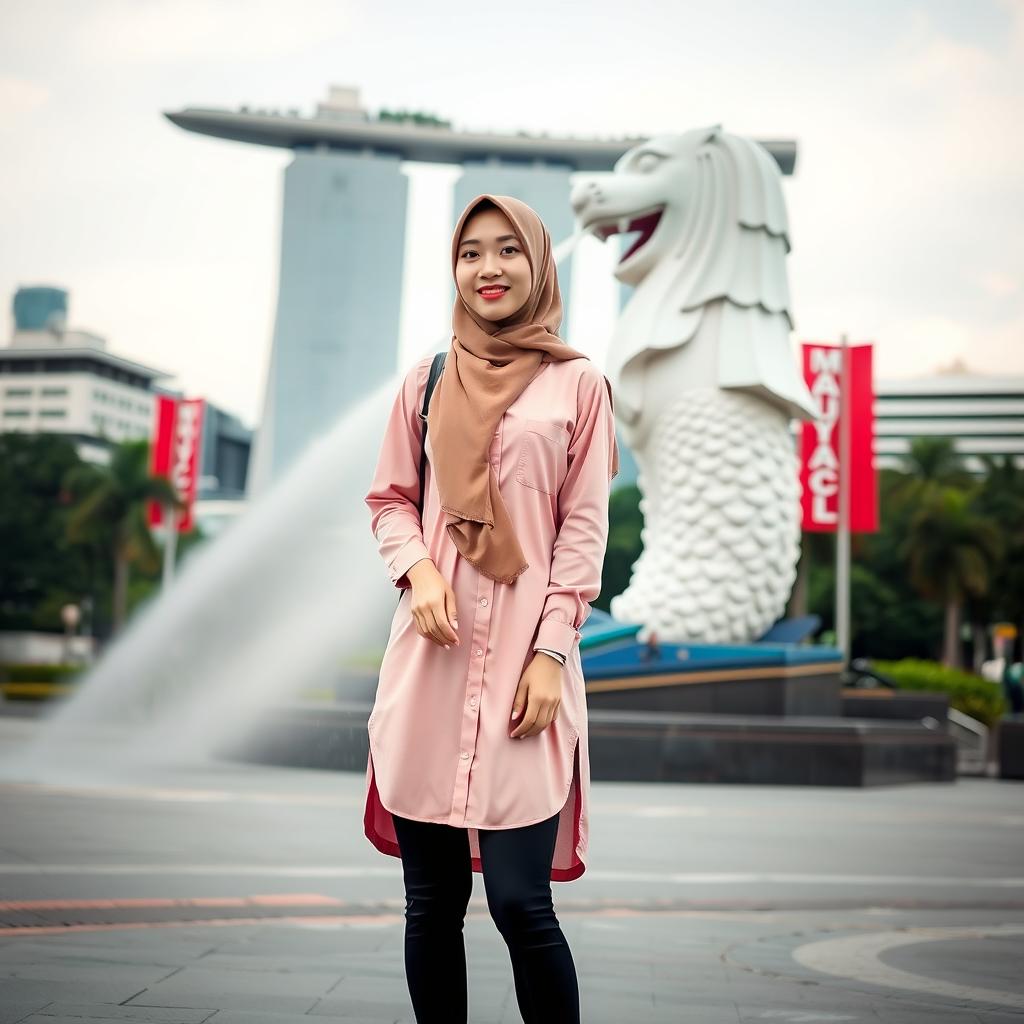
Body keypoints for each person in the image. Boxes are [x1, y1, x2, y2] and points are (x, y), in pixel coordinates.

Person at [362, 193, 620, 1023]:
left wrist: (552, 652)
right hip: (430, 660)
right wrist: (419, 574)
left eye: (507, 250)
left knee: (520, 904)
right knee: (429, 904)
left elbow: (582, 531)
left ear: (539, 263)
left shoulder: (579, 386)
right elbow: (390, 500)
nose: (488, 268)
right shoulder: (427, 379)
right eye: (470, 253)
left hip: (522, 668)